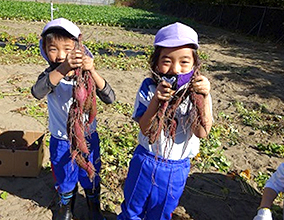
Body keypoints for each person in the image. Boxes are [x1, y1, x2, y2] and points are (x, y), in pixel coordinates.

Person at [118, 22, 213, 220]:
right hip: (146, 159)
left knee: (162, 212)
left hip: (176, 168)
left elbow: (202, 132)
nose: (175, 69)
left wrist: (204, 98)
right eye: (167, 61)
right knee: (132, 208)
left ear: (195, 65)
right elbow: (146, 129)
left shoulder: (197, 92)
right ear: (155, 64)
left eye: (184, 62)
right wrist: (156, 100)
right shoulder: (149, 87)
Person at [31, 18, 115, 220]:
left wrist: (92, 71)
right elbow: (37, 92)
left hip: (87, 138)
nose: (60, 55)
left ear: (78, 49)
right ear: (44, 49)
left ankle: (94, 208)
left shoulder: (87, 75)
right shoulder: (50, 75)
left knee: (90, 174)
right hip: (62, 140)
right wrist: (62, 69)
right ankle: (65, 210)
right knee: (64, 177)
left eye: (67, 49)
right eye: (53, 49)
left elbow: (110, 98)